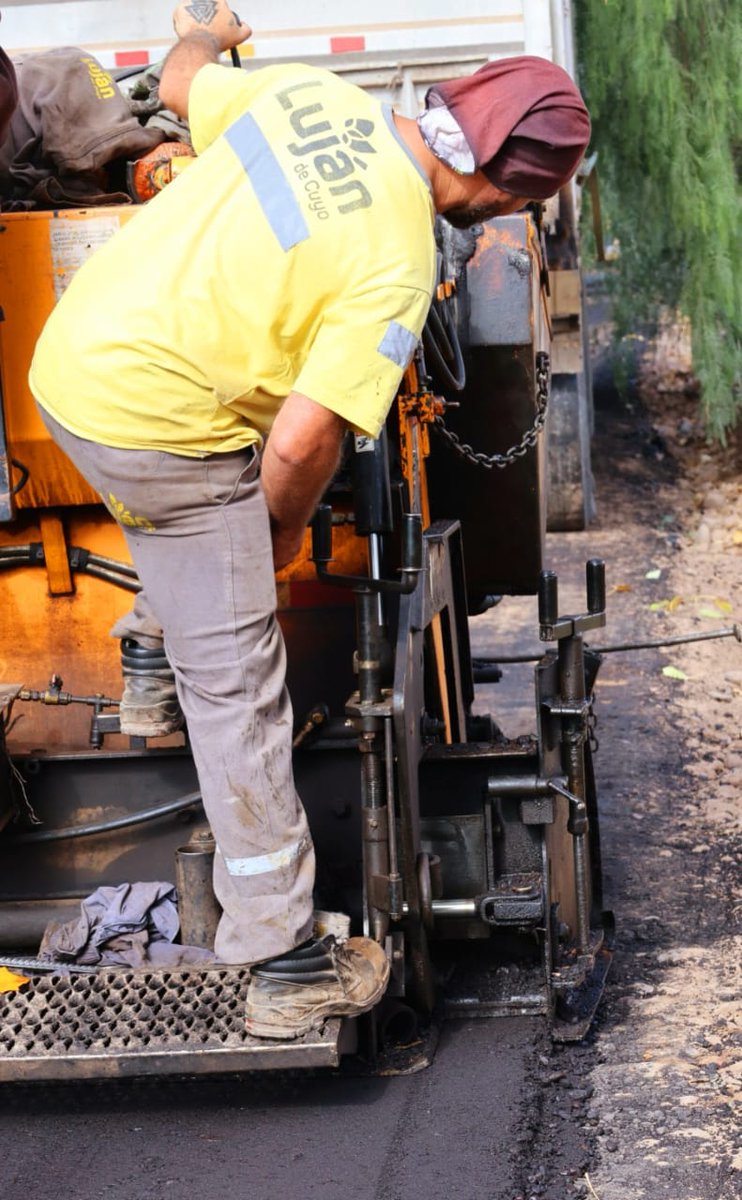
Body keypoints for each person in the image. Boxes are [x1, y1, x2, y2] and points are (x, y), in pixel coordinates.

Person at [28, 0, 590, 1040]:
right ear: (508, 182)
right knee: (239, 679)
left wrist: (205, 27)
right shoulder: (396, 261)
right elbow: (299, 446)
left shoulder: (315, 98)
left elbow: (187, 81)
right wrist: (272, 546)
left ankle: (156, 639)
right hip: (156, 423)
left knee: (198, 558)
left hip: (71, 363)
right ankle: (283, 962)